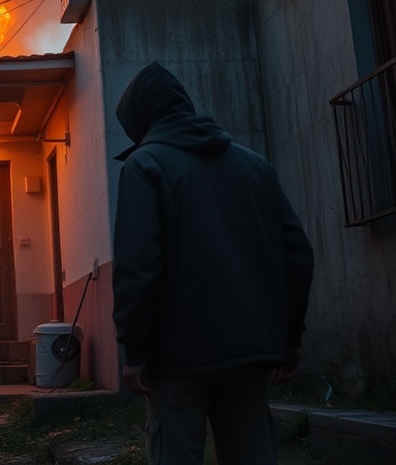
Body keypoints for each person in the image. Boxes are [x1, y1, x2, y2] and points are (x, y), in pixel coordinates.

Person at [111, 62, 314, 465]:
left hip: (176, 359)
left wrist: (134, 351)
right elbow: (298, 254)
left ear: (139, 119)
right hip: (249, 352)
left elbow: (138, 267)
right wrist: (291, 338)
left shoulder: (145, 165)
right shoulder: (255, 165)